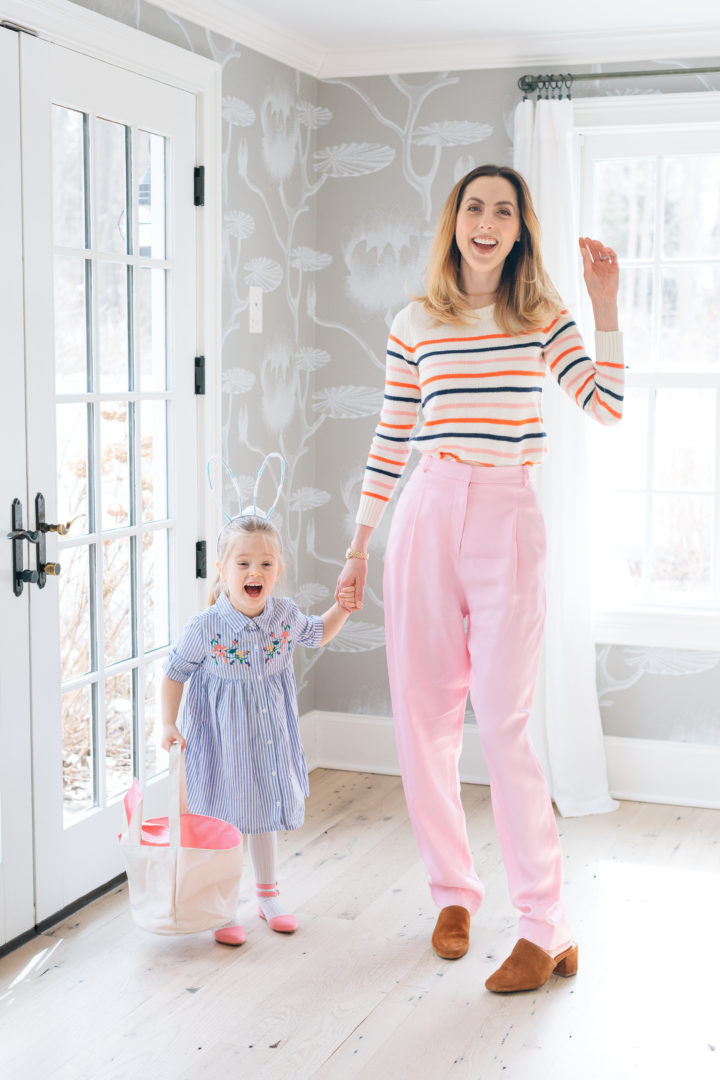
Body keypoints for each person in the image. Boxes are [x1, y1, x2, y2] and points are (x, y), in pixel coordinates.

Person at [335, 164, 624, 993]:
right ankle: (453, 894)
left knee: (502, 725)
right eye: (474, 207)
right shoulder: (415, 320)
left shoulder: (540, 316)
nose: (487, 221)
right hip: (426, 511)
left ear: (520, 227)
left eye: (504, 209)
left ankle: (545, 924)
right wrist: (359, 546)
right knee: (423, 721)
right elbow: (392, 437)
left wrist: (603, 308)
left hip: (506, 516)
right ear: (453, 221)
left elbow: (605, 407)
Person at [161, 513, 354, 945]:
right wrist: (167, 723)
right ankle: (222, 906)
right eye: (243, 563)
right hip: (221, 741)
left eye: (266, 564)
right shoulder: (206, 627)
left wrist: (343, 605)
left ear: (278, 570)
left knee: (262, 809)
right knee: (226, 819)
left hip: (266, 736)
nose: (255, 572)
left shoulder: (284, 616)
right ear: (223, 570)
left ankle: (268, 896)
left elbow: (317, 633)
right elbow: (174, 673)